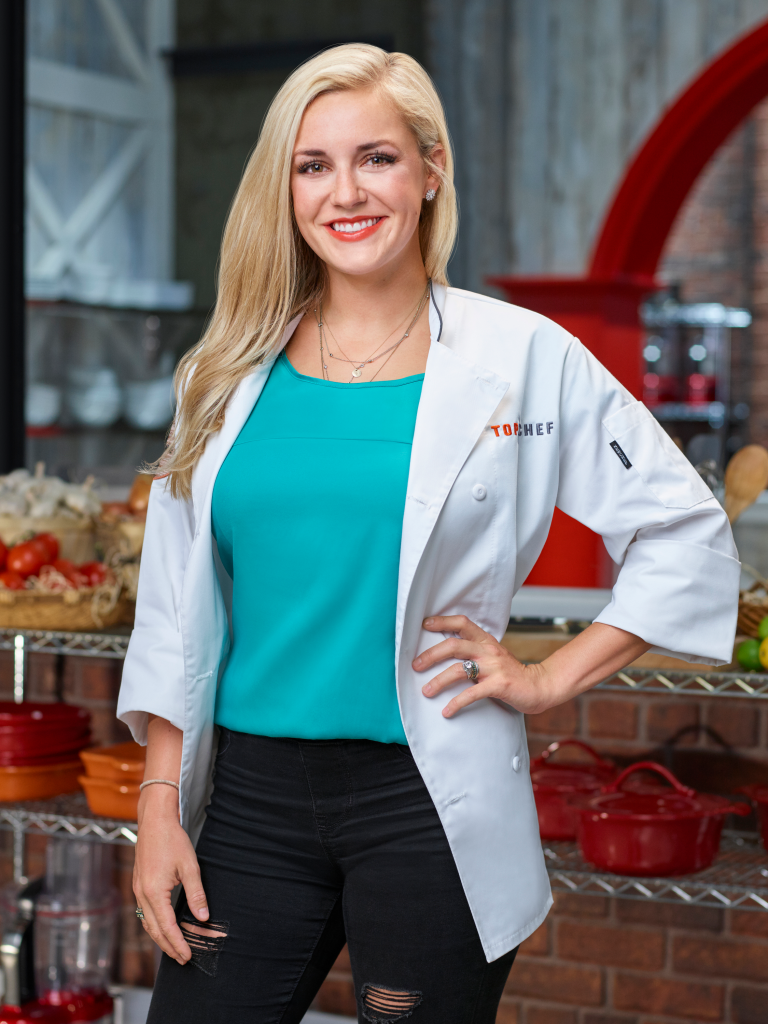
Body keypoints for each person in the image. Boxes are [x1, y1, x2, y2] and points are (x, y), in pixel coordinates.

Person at [117, 43, 740, 1024]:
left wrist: (550, 677)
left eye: (377, 157)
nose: (344, 191)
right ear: (285, 188)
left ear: (431, 169)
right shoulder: (228, 370)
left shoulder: (521, 355)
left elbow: (686, 532)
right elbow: (173, 607)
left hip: (426, 803)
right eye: (312, 165)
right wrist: (158, 803)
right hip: (248, 805)